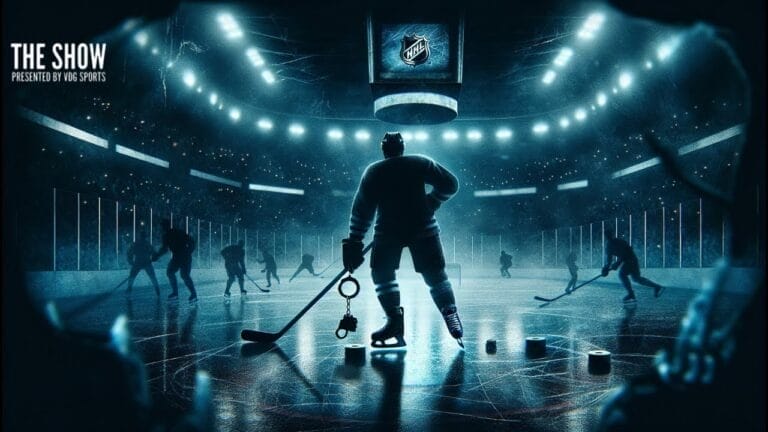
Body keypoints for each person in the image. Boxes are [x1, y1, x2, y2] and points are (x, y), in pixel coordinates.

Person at [342, 132, 464, 348]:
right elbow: (450, 184)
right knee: (435, 274)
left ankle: (394, 322)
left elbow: (363, 210)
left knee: (382, 274)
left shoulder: (374, 171)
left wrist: (355, 240)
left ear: (383, 149)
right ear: (403, 147)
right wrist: (432, 201)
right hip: (423, 227)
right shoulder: (420, 162)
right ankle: (450, 313)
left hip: (388, 231)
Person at [601, 229, 664, 303]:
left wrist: (617, 263)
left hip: (631, 259)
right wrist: (606, 268)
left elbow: (626, 253)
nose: (608, 236)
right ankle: (657, 286)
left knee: (622, 274)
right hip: (630, 261)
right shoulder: (609, 246)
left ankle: (631, 294)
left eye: (609, 234)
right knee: (637, 279)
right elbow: (609, 260)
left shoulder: (620, 242)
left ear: (612, 234)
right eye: (607, 235)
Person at [152, 219, 197, 303]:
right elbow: (165, 248)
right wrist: (157, 255)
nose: (162, 228)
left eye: (162, 226)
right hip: (179, 256)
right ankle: (184, 293)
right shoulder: (169, 235)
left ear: (165, 226)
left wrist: (188, 251)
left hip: (183, 256)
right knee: (175, 273)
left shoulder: (175, 233)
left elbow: (191, 242)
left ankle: (187, 294)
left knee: (182, 274)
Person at [126, 230, 160, 296]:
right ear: (145, 237)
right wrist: (153, 259)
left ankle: (129, 290)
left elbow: (129, 253)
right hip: (146, 262)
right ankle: (157, 290)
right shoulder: (147, 244)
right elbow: (154, 253)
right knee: (152, 277)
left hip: (138, 262)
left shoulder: (136, 244)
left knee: (132, 277)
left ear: (140, 236)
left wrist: (131, 262)